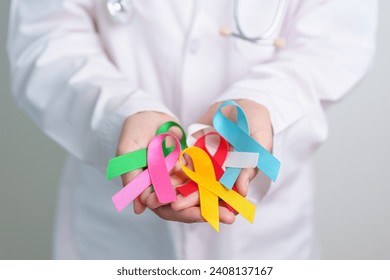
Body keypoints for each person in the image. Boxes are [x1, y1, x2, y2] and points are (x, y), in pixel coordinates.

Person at [7, 0, 377, 259]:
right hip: (111, 239)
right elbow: (45, 37)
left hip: (267, 242)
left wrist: (263, 105)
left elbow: (336, 41)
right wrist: (121, 114)